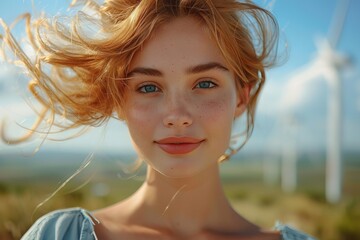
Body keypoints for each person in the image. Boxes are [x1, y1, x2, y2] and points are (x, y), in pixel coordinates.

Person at [1, 0, 316, 239]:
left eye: (205, 83)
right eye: (148, 87)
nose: (177, 116)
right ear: (120, 101)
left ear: (242, 97)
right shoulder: (59, 234)